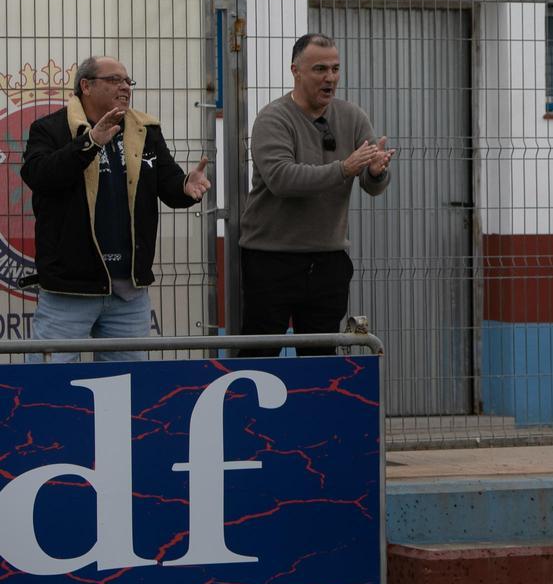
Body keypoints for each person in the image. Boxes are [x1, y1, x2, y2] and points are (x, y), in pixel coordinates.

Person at [20, 55, 211, 362]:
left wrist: (186, 187)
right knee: (46, 385)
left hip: (128, 292)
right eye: (114, 80)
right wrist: (91, 142)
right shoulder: (50, 129)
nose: (125, 87)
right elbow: (39, 176)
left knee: (129, 389)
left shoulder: (145, 129)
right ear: (86, 86)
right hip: (69, 291)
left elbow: (169, 184)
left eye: (127, 81)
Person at [238, 33, 393, 357]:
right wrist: (344, 168)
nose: (330, 78)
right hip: (271, 259)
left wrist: (377, 171)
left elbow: (370, 182)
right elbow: (282, 178)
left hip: (328, 260)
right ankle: (247, 408)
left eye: (335, 69)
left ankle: (314, 408)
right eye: (320, 69)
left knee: (321, 357)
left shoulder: (352, 116)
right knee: (259, 352)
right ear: (296, 70)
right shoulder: (273, 118)